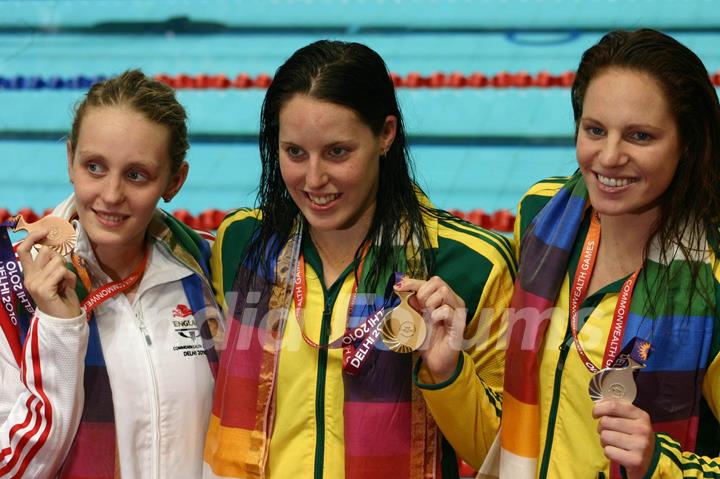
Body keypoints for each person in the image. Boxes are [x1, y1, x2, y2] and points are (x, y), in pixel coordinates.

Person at [203, 40, 515, 478]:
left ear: (385, 134)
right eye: (295, 152)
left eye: (337, 152)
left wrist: (447, 372)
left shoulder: (470, 264)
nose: (314, 180)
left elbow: (504, 459)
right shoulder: (241, 244)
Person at [493, 29, 720, 478]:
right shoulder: (540, 217)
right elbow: (505, 428)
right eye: (595, 130)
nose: (609, 157)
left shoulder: (711, 275)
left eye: (640, 136)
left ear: (687, 144)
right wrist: (447, 373)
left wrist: (660, 464)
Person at [0, 70, 220, 478]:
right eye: (95, 167)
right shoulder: (10, 288)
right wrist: (58, 334)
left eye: (137, 175)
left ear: (174, 181)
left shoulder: (210, 267)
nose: (112, 194)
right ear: (70, 160)